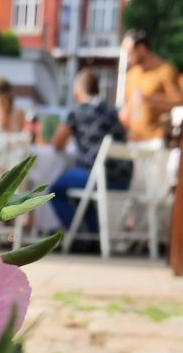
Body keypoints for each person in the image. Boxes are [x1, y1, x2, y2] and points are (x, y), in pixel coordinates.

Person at [49, 69, 131, 235]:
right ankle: (92, 238)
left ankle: (77, 236)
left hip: (98, 176)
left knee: (54, 191)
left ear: (77, 92)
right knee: (80, 192)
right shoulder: (111, 111)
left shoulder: (76, 110)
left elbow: (57, 143)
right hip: (123, 179)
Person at [119, 29, 183, 143]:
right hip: (134, 139)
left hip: (156, 139)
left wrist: (151, 99)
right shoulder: (132, 74)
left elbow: (179, 101)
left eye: (130, 53)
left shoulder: (165, 70)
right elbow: (128, 104)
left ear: (142, 49)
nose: (128, 58)